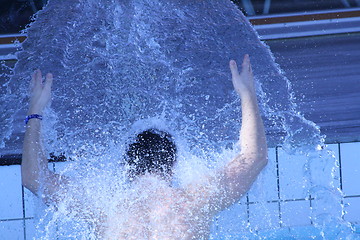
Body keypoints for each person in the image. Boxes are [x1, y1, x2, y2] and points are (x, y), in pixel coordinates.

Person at [21, 54, 268, 239]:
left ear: (125, 166)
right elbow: (253, 157)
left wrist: (35, 112)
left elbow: (34, 178)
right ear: (173, 165)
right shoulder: (196, 201)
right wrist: (247, 95)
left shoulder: (103, 206)